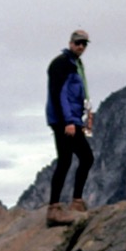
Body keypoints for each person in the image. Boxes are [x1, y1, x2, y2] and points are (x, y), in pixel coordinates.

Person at [44, 30, 94, 226]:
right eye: (78, 43)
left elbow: (76, 94)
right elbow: (60, 95)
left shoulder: (74, 64)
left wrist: (83, 116)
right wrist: (69, 122)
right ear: (70, 43)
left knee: (70, 160)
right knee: (77, 159)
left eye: (84, 44)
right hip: (64, 121)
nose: (81, 46)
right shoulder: (63, 64)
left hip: (71, 119)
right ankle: (59, 207)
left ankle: (72, 204)